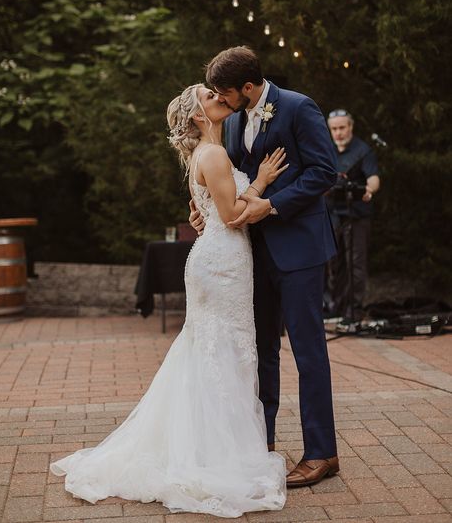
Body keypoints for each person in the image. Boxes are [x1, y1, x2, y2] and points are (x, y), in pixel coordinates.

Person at [50, 82, 287, 518]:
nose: (220, 96)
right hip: (222, 263)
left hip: (219, 261)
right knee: (225, 349)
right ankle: (218, 455)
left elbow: (210, 211)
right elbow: (234, 217)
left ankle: (208, 445)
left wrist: (216, 206)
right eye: (210, 96)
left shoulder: (209, 151)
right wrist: (262, 182)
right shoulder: (213, 154)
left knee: (213, 350)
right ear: (200, 115)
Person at [190, 45, 340, 488]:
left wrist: (271, 205)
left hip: (299, 252)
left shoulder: (297, 108)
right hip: (251, 255)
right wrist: (204, 210)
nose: (220, 99)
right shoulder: (232, 120)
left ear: (249, 88)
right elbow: (227, 182)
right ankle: (262, 443)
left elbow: (323, 172)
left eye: (225, 92)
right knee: (262, 353)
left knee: (309, 352)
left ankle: (321, 453)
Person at [325, 108, 380, 320]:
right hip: (332, 215)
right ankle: (336, 307)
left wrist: (369, 190)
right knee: (334, 263)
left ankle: (354, 309)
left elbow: (373, 177)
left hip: (357, 215)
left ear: (350, 127)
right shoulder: (326, 149)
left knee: (356, 264)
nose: (338, 133)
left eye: (342, 128)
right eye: (334, 129)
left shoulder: (363, 150)